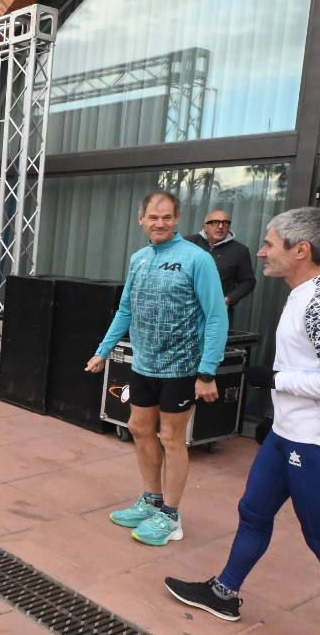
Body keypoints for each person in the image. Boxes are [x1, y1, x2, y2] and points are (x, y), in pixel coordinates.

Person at [165, 207, 320, 635]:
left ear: (300, 250)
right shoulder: (305, 294)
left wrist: (276, 378)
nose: (260, 250)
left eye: (270, 242)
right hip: (288, 435)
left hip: (317, 445)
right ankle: (224, 593)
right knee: (254, 512)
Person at [85, 190, 227, 546]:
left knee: (172, 439)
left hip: (181, 367)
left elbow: (215, 316)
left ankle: (171, 517)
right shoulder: (140, 259)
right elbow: (126, 310)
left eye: (166, 217)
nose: (159, 223)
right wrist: (104, 350)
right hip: (143, 363)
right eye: (153, 217)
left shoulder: (197, 259)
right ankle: (151, 499)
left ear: (177, 219)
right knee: (138, 427)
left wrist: (207, 371)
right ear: (142, 220)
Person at [185, 209, 256, 323]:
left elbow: (248, 282)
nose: (221, 226)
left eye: (225, 222)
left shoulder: (240, 251)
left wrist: (228, 300)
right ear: (205, 226)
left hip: (217, 313)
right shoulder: (188, 243)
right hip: (184, 309)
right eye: (215, 222)